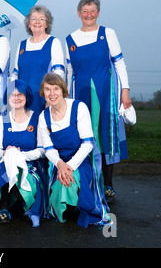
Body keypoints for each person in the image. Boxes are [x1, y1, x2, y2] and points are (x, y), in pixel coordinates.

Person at [66, 0, 131, 203]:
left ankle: (108, 184)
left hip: (105, 92)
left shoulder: (108, 33)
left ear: (98, 12)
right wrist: (66, 95)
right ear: (78, 13)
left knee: (106, 136)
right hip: (81, 94)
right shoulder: (71, 39)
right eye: (85, 11)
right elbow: (68, 71)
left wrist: (125, 90)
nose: (89, 15)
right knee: (84, 136)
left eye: (92, 11)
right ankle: (88, 181)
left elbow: (120, 63)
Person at [37, 73, 109, 228]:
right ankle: (67, 208)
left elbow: (88, 144)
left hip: (82, 159)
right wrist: (61, 165)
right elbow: (49, 149)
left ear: (63, 90)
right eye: (47, 89)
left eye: (56, 88)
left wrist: (69, 167)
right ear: (43, 93)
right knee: (59, 187)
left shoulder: (78, 108)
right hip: (60, 162)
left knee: (70, 181)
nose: (52, 93)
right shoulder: (44, 117)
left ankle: (82, 208)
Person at [0, 80, 47, 226]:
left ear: (27, 96)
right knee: (9, 163)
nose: (17, 98)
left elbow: (42, 150)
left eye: (20, 94)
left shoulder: (37, 118)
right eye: (12, 95)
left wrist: (21, 156)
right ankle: (4, 207)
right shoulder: (2, 120)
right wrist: (7, 154)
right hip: (6, 165)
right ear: (7, 98)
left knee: (21, 190)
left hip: (31, 167)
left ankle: (12, 204)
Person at [12, 5, 65, 116]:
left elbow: (58, 73)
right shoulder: (21, 45)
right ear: (28, 23)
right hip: (23, 99)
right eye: (33, 19)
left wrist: (51, 98)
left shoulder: (54, 42)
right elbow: (15, 74)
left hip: (43, 99)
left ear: (47, 23)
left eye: (41, 19)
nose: (37, 22)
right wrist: (14, 95)